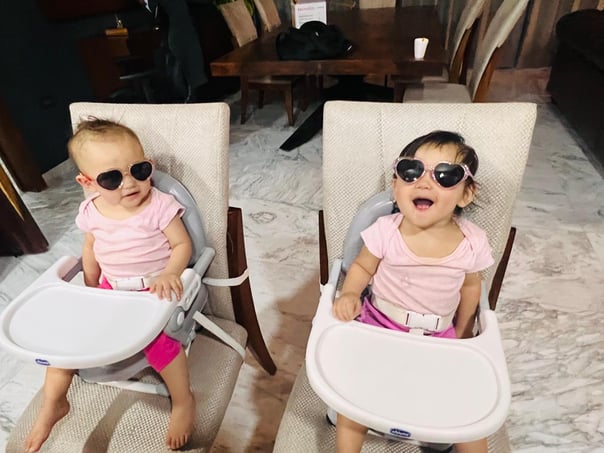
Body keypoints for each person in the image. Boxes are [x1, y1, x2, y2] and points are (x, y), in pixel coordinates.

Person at [24, 119, 196, 452]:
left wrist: (171, 272)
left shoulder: (158, 205)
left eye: (139, 170)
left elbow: (182, 244)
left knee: (160, 342)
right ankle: (54, 402)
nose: (129, 183)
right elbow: (91, 248)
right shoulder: (91, 211)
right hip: (110, 288)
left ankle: (183, 400)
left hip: (153, 291)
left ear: (150, 165)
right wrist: (90, 287)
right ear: (87, 182)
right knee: (66, 339)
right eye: (111, 178)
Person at [332, 131, 494, 453]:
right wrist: (349, 294)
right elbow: (362, 267)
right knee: (353, 393)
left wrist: (464, 333)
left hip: (439, 336)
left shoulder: (472, 241)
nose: (424, 183)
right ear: (396, 186)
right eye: (411, 171)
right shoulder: (385, 231)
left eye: (446, 175)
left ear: (466, 194)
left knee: (467, 404)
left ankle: (445, 425)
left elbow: (470, 287)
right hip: (379, 326)